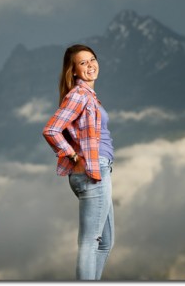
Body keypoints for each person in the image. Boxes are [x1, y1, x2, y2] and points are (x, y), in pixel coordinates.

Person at [42, 44, 114, 280]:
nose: (90, 65)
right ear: (72, 70)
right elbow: (51, 130)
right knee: (90, 241)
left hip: (99, 170)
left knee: (105, 242)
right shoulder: (79, 95)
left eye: (92, 59)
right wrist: (73, 156)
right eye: (83, 63)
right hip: (92, 171)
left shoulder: (89, 96)